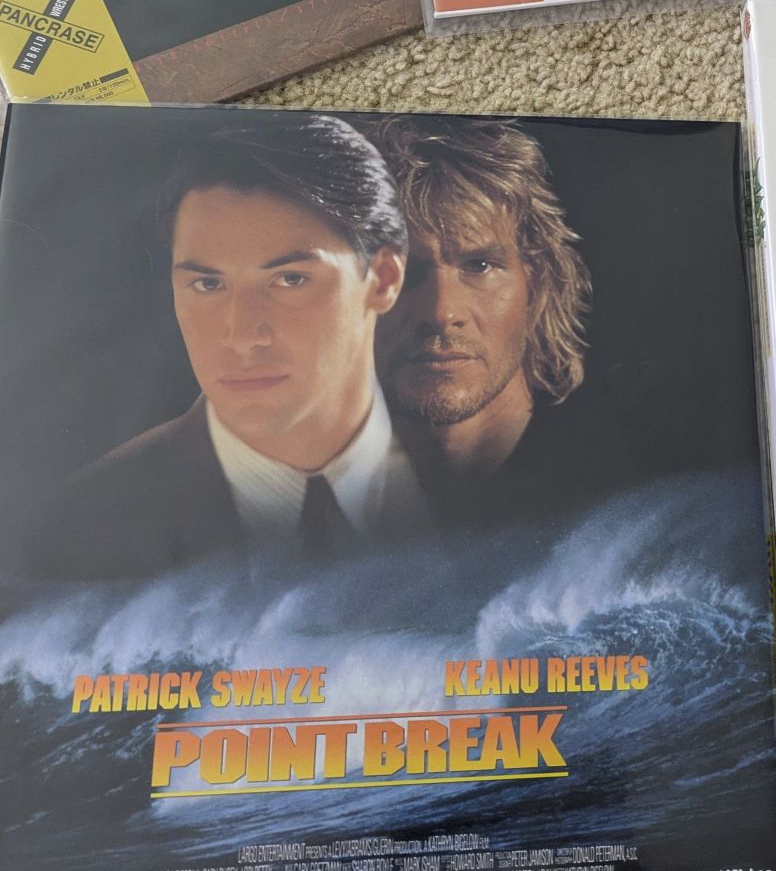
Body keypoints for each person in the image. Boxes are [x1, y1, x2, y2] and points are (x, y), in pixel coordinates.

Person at [43, 114, 423, 579]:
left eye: (290, 279)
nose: (243, 335)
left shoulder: (484, 473)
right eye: (208, 284)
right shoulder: (84, 525)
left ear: (383, 279)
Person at [364, 117, 598, 524]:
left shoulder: (644, 488)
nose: (442, 313)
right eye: (404, 273)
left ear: (536, 283)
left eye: (480, 265)